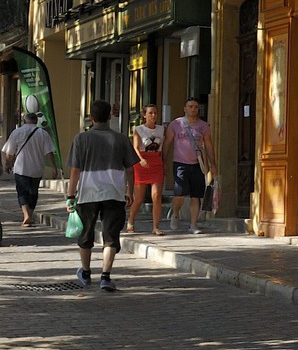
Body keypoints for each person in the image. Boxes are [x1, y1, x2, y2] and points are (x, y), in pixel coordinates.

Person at [66, 100, 138, 292]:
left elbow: (75, 170)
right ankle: (106, 276)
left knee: (86, 233)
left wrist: (70, 195)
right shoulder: (122, 139)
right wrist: (130, 191)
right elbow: (130, 168)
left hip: (88, 192)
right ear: (110, 117)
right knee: (111, 236)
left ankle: (86, 273)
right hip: (114, 192)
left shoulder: (81, 139)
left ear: (91, 118)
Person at [163, 99, 216, 233]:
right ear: (184, 108)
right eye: (190, 106)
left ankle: (193, 225)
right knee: (179, 193)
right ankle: (175, 213)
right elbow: (167, 143)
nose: (193, 109)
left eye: (196, 107)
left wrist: (213, 164)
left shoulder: (204, 126)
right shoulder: (175, 124)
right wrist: (163, 162)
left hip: (198, 164)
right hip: (180, 163)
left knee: (196, 195)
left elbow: (209, 145)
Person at [2, 110, 58, 226]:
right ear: (36, 121)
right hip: (37, 168)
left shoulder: (17, 132)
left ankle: (26, 214)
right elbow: (49, 152)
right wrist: (54, 167)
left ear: (24, 120)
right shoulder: (43, 133)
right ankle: (30, 214)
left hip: (21, 168)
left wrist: (8, 164)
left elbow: (10, 152)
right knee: (33, 192)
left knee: (22, 192)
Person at [127, 105, 166, 234]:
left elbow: (163, 147)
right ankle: (130, 221)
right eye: (150, 113)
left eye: (155, 113)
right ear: (144, 115)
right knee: (139, 198)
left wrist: (163, 162)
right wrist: (140, 160)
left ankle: (156, 227)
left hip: (156, 161)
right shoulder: (138, 129)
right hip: (142, 162)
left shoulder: (161, 129)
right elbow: (136, 147)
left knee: (156, 196)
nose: (153, 115)